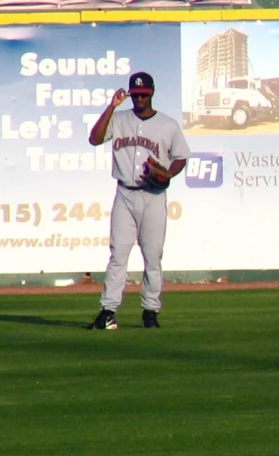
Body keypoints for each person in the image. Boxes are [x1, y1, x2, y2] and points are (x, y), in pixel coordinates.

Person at [87, 72, 190, 330]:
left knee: (152, 256)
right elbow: (95, 139)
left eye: (143, 94)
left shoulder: (167, 125)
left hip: (153, 195)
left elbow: (180, 157)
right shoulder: (119, 119)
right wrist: (111, 106)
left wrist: (168, 173)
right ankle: (108, 310)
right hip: (124, 192)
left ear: (152, 94)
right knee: (118, 255)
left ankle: (150, 311)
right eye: (135, 95)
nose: (139, 98)